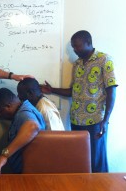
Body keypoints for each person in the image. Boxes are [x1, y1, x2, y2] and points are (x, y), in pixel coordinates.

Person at [41, 30, 117, 173]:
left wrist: (106, 120)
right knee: (80, 160)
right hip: (76, 119)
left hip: (95, 121)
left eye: (77, 46)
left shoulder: (104, 60)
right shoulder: (77, 64)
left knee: (96, 161)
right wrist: (52, 90)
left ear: (89, 43)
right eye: (73, 47)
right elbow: (73, 91)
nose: (75, 50)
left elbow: (111, 91)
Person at [0, 88, 45, 179]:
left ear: (8, 106)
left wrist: (4, 156)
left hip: (25, 173)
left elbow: (33, 126)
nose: (2, 114)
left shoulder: (23, 114)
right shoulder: (23, 108)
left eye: (1, 111)